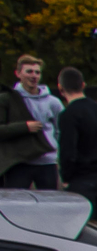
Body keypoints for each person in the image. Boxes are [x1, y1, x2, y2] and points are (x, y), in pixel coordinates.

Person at [53, 68, 97, 227]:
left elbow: (68, 151)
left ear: (61, 89)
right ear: (83, 85)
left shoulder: (69, 115)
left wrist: (66, 177)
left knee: (86, 226)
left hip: (82, 179)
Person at [2, 54, 62, 189]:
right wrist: (24, 127)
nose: (34, 75)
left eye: (37, 72)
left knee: (49, 204)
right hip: (19, 163)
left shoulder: (53, 102)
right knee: (17, 206)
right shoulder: (8, 100)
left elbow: (61, 130)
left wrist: (55, 152)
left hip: (47, 162)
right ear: (18, 73)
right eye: (29, 71)